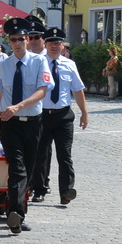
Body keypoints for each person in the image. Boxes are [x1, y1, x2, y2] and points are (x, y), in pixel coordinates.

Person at [0, 18, 51, 232]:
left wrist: (19, 106)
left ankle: (18, 212)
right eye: (13, 39)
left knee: (28, 168)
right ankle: (14, 214)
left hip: (33, 123)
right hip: (10, 124)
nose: (18, 43)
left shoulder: (38, 62)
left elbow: (42, 91)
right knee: (17, 168)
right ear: (9, 41)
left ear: (27, 39)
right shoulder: (3, 64)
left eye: (21, 39)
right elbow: (0, 94)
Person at [35, 28, 89, 206]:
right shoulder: (37, 63)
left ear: (62, 45)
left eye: (57, 43)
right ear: (45, 44)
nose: (54, 46)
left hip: (63, 116)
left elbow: (77, 90)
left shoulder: (69, 64)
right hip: (41, 115)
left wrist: (84, 113)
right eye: (51, 43)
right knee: (41, 154)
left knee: (65, 155)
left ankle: (66, 191)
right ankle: (40, 189)